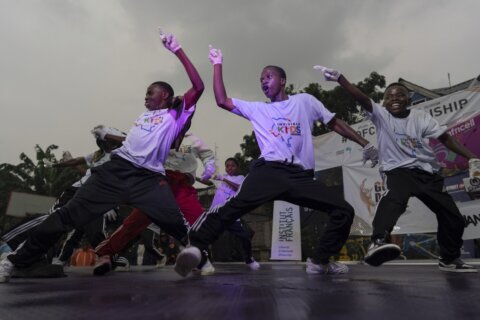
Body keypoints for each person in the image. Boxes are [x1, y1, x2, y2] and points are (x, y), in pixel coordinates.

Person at [0, 30, 204, 283]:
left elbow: (199, 86)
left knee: (176, 223)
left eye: (150, 92)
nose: (145, 97)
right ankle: (14, 263)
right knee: (65, 216)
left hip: (148, 179)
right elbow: (130, 142)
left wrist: (177, 50)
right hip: (115, 172)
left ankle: (199, 256)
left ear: (164, 95)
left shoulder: (175, 115)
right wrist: (107, 134)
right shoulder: (142, 117)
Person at [174, 46, 379, 277]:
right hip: (269, 171)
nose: (263, 82)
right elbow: (222, 100)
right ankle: (195, 247)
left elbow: (334, 122)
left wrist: (365, 143)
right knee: (232, 208)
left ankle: (320, 260)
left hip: (300, 176)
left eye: (268, 77)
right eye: (260, 79)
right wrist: (217, 64)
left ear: (282, 80)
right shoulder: (258, 109)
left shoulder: (304, 101)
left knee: (343, 210)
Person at [314, 64, 480, 272]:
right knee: (394, 199)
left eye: (399, 95)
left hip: (426, 173)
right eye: (390, 96)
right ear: (384, 102)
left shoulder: (420, 117)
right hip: (398, 171)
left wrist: (473, 158)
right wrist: (341, 80)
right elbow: (362, 99)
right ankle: (379, 241)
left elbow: (445, 138)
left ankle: (448, 258)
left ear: (408, 99)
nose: (394, 99)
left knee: (452, 216)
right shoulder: (381, 116)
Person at [93, 132, 217, 275]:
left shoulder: (193, 139)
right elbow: (134, 141)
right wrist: (107, 135)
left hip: (183, 185)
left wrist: (209, 167)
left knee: (198, 221)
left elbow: (207, 154)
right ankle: (105, 254)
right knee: (134, 222)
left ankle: (199, 257)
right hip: (159, 183)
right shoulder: (160, 133)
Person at [0, 127, 126, 268]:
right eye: (103, 142)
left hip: (96, 196)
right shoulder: (99, 155)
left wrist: (111, 205)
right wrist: (56, 164)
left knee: (90, 229)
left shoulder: (123, 157)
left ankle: (110, 257)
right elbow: (77, 162)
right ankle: (14, 245)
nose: (103, 145)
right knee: (54, 220)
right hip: (79, 191)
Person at [201, 157, 260, 271]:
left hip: (230, 214)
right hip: (216, 213)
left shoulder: (240, 178)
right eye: (227, 165)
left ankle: (249, 260)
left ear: (237, 167)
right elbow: (207, 181)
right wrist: (196, 177)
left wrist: (224, 179)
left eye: (232, 165)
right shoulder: (221, 178)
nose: (229, 167)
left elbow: (239, 188)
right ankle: (203, 261)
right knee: (205, 237)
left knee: (244, 237)